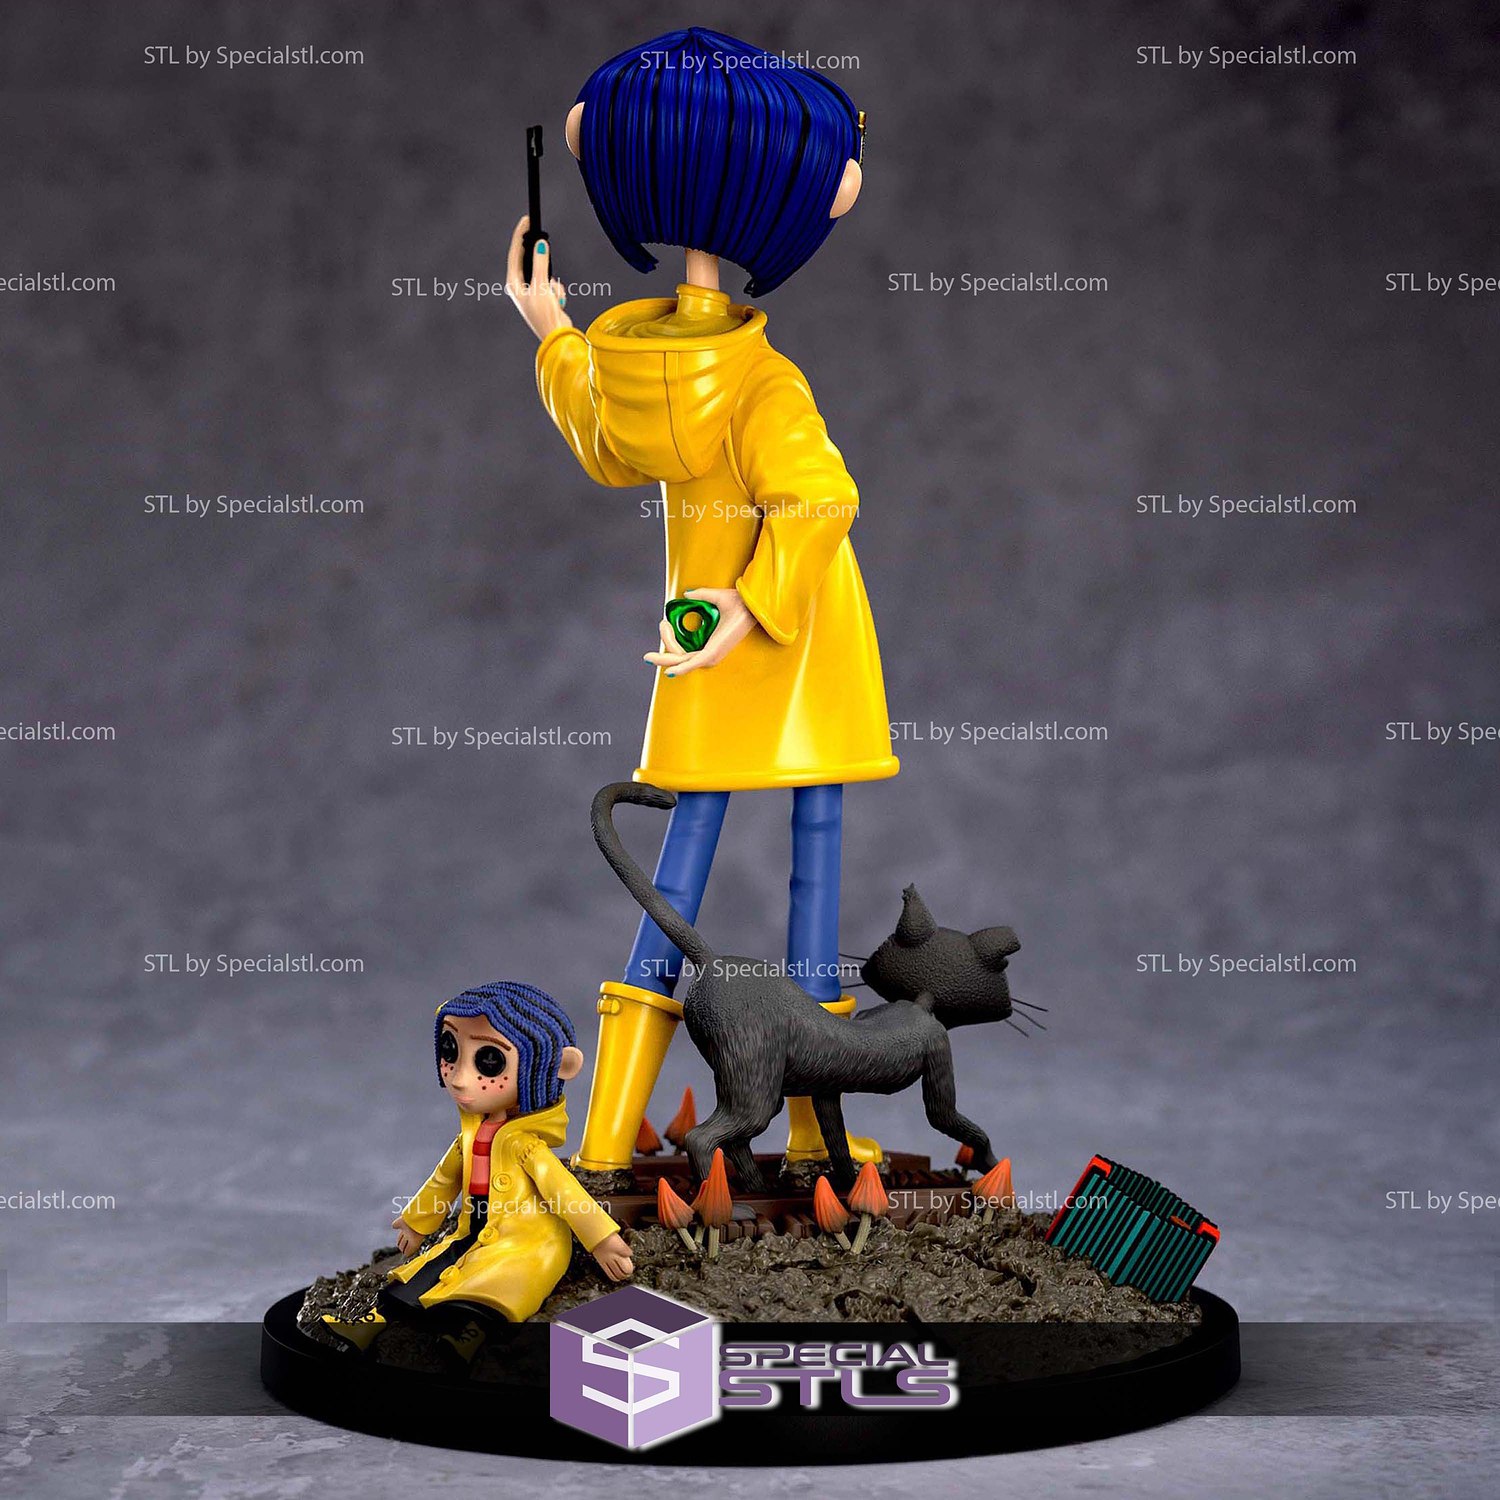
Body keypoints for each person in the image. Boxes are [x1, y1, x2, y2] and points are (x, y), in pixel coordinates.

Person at [508, 29, 899, 1184]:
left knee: (679, 869)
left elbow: (608, 445)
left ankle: (606, 1138)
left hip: (711, 631)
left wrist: (551, 327)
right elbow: (821, 500)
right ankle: (819, 1143)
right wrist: (755, 604)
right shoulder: (761, 378)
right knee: (812, 871)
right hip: (800, 634)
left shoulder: (639, 364)